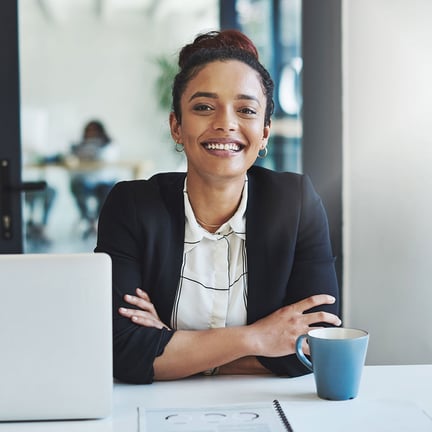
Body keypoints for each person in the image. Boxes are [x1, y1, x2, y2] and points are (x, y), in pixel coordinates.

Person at [95, 30, 341, 384]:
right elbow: (120, 351)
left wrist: (170, 344)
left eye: (246, 110)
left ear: (265, 132)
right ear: (176, 126)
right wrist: (258, 339)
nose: (225, 124)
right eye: (204, 107)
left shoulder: (296, 202)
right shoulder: (132, 205)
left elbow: (315, 348)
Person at [69, 120, 118, 238]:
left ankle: (98, 221)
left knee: (107, 192)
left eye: (94, 130)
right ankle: (88, 220)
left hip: (104, 181)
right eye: (89, 130)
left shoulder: (109, 145)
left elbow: (106, 158)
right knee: (76, 186)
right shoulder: (79, 145)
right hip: (85, 182)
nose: (92, 133)